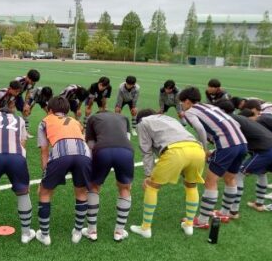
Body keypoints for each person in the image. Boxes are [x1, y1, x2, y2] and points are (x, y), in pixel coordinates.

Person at [178, 87, 247, 228]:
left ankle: (202, 220)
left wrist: (203, 149)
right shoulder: (209, 106)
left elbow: (200, 129)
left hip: (227, 146)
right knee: (230, 178)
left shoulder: (190, 112)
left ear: (186, 101)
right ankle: (224, 213)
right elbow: (235, 123)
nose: (181, 106)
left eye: (181, 103)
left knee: (210, 181)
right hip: (242, 143)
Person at [130, 109, 205, 237]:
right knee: (191, 186)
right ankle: (189, 225)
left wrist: (148, 175)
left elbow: (146, 150)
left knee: (152, 187)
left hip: (174, 151)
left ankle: (145, 228)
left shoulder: (142, 122)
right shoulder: (170, 118)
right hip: (197, 150)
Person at [36, 97, 92, 245]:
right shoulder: (75, 121)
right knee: (81, 192)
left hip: (61, 154)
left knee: (45, 192)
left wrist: (44, 176)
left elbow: (44, 150)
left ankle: (45, 235)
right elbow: (82, 138)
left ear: (50, 110)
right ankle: (78, 232)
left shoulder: (45, 121)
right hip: (84, 154)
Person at [217, 100, 272, 217]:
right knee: (264, 172)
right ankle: (264, 204)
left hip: (267, 149)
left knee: (239, 174)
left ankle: (233, 211)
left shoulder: (230, 120)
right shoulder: (242, 119)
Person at [0, 109, 35, 244]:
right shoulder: (19, 119)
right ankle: (26, 234)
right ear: (11, 113)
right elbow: (22, 144)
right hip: (16, 158)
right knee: (23, 192)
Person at [84, 110, 134, 242]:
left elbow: (90, 144)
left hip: (102, 150)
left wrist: (94, 159)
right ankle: (119, 231)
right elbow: (127, 138)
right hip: (126, 151)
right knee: (125, 188)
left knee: (93, 186)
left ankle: (92, 230)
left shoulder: (92, 118)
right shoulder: (123, 117)